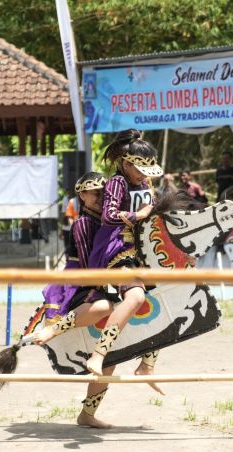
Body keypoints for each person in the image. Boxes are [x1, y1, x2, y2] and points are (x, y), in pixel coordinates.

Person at [0, 173, 118, 428]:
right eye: (95, 193)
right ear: (82, 196)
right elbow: (87, 265)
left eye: (104, 192)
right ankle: (52, 330)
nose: (101, 196)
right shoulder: (83, 223)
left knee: (111, 361)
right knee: (107, 306)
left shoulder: (104, 219)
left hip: (100, 277)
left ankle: (87, 414)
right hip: (80, 281)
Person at [86, 129, 163, 389]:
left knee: (164, 300)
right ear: (127, 164)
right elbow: (108, 215)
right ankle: (98, 354)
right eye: (140, 171)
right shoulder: (117, 182)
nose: (144, 177)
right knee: (137, 297)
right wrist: (138, 215)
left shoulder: (145, 184)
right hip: (116, 247)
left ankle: (147, 365)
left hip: (141, 249)